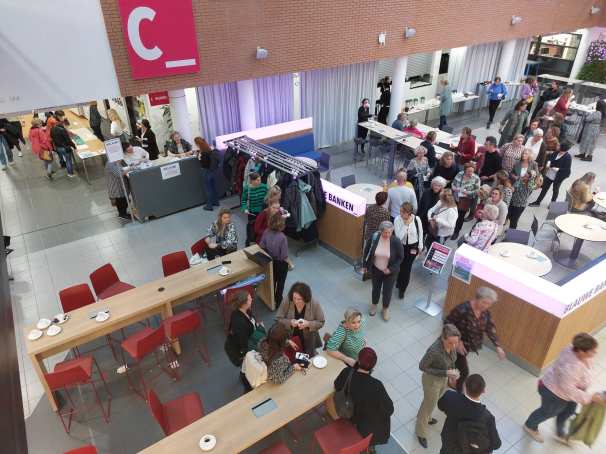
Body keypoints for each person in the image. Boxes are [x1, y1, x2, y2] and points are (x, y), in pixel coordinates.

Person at [524, 333, 604, 445]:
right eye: (592, 351)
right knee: (547, 412)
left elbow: (580, 377)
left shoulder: (575, 349)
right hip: (553, 392)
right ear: (581, 351)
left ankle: (560, 432)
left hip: (566, 391)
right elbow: (569, 390)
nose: (595, 353)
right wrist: (591, 398)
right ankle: (530, 426)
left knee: (569, 410)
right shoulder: (572, 367)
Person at [444, 287, 506, 392]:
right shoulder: (462, 309)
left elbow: (489, 328)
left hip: (467, 347)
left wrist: (498, 346)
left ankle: (450, 377)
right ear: (477, 298)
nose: (486, 306)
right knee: (464, 372)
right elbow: (447, 323)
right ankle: (459, 392)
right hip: (455, 345)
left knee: (455, 363)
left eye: (489, 304)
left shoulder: (485, 313)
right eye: (484, 302)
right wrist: (458, 341)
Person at [334, 348, 394, 450]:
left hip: (348, 418)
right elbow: (389, 409)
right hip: (367, 430)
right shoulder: (376, 385)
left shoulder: (347, 373)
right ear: (373, 366)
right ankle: (368, 448)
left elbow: (337, 386)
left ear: (357, 360)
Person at [415, 324, 461, 449]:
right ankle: (420, 432)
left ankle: (425, 417)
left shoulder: (452, 345)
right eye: (451, 343)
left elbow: (451, 360)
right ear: (443, 338)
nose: (454, 346)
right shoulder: (434, 351)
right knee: (428, 405)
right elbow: (422, 366)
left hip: (443, 379)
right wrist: (445, 372)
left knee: (431, 402)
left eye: (456, 343)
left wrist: (451, 373)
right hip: (431, 381)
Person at [438, 374, 501, 454]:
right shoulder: (488, 417)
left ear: (465, 385)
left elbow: (440, 406)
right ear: (483, 391)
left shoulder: (450, 396)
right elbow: (496, 444)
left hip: (448, 447)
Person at [362, 221, 403, 320]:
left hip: (390, 272)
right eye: (385, 232)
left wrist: (390, 269)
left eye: (390, 232)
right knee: (376, 288)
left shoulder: (396, 241)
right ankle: (374, 305)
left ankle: (385, 308)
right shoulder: (374, 238)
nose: (387, 235)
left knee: (387, 291)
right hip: (376, 269)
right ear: (380, 231)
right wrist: (365, 265)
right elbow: (367, 251)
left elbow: (400, 257)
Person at [224, 290, 265, 390]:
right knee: (247, 365)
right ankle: (247, 383)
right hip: (241, 350)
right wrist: (261, 330)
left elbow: (251, 326)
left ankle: (244, 374)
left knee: (246, 366)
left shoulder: (246, 310)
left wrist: (257, 326)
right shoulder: (239, 322)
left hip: (247, 343)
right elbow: (245, 344)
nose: (252, 299)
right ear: (244, 303)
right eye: (249, 299)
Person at [275, 282, 325, 356]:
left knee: (308, 356)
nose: (296, 301)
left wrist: (308, 324)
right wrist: (290, 322)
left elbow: (321, 322)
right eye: (294, 298)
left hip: (308, 338)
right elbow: (278, 319)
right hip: (291, 336)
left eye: (299, 299)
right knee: (293, 355)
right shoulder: (288, 300)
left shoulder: (314, 303)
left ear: (306, 298)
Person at [260, 213, 290, 307]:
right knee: (280, 283)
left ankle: (271, 299)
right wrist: (289, 264)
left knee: (272, 281)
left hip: (270, 261)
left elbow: (262, 246)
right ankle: (278, 301)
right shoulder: (282, 238)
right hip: (280, 264)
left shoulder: (266, 231)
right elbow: (284, 256)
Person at [529, 140, 572, 207]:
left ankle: (553, 205)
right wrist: (548, 164)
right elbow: (549, 158)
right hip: (550, 174)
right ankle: (538, 202)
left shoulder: (568, 157)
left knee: (555, 190)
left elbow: (567, 169)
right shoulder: (556, 152)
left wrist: (558, 169)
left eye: (559, 146)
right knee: (544, 188)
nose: (557, 146)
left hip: (559, 176)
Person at [394, 202, 423, 299]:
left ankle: (402, 289)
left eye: (403, 212)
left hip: (412, 248)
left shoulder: (417, 219)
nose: (401, 213)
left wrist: (420, 246)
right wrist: (406, 225)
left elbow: (420, 233)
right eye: (400, 211)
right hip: (401, 247)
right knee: (399, 266)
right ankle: (398, 281)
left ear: (409, 213)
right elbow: (398, 237)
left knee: (407, 269)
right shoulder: (398, 219)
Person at [451, 162, 481, 240]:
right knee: (453, 214)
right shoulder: (460, 174)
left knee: (460, 216)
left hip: (465, 200)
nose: (470, 173)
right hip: (456, 198)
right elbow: (453, 184)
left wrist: (468, 193)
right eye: (468, 171)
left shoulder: (476, 178)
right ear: (465, 170)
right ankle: (450, 229)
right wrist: (455, 188)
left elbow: (477, 190)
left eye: (472, 171)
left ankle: (456, 232)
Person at [241, 172, 268, 246]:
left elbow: (270, 196)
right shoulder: (247, 189)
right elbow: (243, 200)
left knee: (260, 228)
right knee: (251, 228)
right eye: (257, 180)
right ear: (252, 181)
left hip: (262, 212)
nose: (260, 181)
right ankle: (250, 242)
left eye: (260, 180)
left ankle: (259, 242)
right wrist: (244, 209)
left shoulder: (264, 187)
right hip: (251, 213)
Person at [50, 111, 76, 178]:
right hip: (65, 147)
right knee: (68, 160)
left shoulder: (52, 128)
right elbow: (68, 140)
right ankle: (70, 173)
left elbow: (52, 137)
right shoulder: (62, 130)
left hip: (58, 147)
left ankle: (63, 166)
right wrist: (74, 146)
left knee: (63, 158)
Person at [196, 137, 220, 211]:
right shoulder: (209, 149)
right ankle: (216, 202)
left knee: (208, 189)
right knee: (213, 187)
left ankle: (209, 206)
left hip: (206, 171)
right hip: (212, 171)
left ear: (198, 144)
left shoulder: (202, 153)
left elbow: (202, 162)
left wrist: (198, 155)